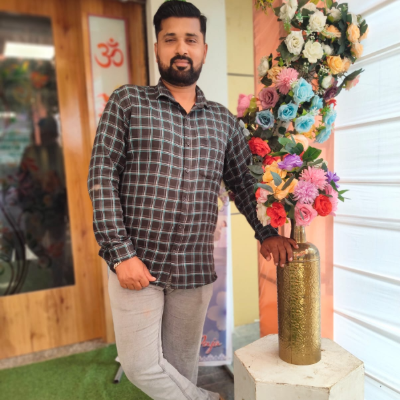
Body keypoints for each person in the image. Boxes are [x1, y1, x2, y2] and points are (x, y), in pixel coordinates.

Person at [87, 2, 298, 399]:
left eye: (190, 39)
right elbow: (101, 178)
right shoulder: (128, 102)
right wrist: (120, 254)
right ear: (157, 48)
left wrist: (267, 232)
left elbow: (242, 183)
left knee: (181, 370)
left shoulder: (223, 121)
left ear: (204, 49)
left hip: (193, 269)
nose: (181, 48)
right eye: (170, 39)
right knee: (141, 365)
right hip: (137, 264)